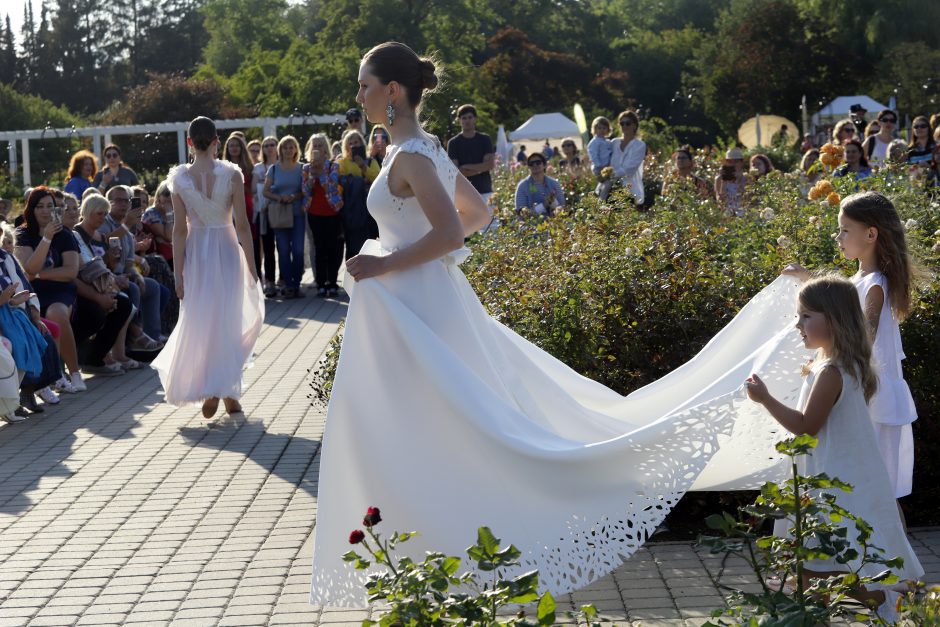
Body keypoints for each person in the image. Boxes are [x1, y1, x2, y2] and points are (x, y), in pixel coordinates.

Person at [744, 275, 922, 621]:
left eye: (807, 316)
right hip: (840, 472)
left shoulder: (832, 372)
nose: (798, 324)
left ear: (835, 320)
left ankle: (889, 600)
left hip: (830, 480)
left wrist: (764, 399)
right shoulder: (845, 364)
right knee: (817, 564)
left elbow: (806, 427)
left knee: (829, 561)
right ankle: (831, 611)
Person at [783, 192, 917, 501]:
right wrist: (808, 280)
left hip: (877, 398)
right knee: (866, 485)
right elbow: (844, 305)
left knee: (878, 488)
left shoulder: (876, 285)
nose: (838, 236)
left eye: (845, 230)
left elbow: (863, 333)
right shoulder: (861, 278)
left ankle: (897, 549)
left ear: (871, 234)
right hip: (863, 392)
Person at [151, 116, 263, 419]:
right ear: (216, 141)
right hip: (226, 249)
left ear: (189, 142)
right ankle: (221, 390)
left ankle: (223, 390)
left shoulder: (179, 178)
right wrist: (252, 267)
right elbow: (242, 226)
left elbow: (179, 231)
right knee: (228, 319)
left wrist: (178, 273)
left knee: (202, 320)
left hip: (197, 253)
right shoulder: (232, 174)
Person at [262, 135, 305, 299]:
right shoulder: (273, 169)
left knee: (299, 250)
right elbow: (265, 191)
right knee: (284, 250)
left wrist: (295, 196)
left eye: (291, 147)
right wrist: (279, 198)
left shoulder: (302, 168)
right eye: (285, 147)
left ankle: (296, 283)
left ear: (296, 149)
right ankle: (288, 284)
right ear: (281, 149)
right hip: (280, 215)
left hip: (298, 214)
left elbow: (306, 190)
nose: (288, 150)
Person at [303, 133, 344, 297]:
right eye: (315, 145)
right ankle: (321, 283)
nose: (317, 148)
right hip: (314, 212)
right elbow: (305, 191)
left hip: (332, 211)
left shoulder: (333, 166)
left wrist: (321, 173)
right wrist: (313, 176)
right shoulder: (306, 168)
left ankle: (332, 282)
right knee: (319, 248)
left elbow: (332, 187)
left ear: (326, 148)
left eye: (320, 145)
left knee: (332, 248)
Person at [337, 130, 380, 259]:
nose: (353, 145)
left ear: (362, 143)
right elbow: (340, 182)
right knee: (352, 245)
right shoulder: (342, 163)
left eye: (356, 142)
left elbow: (377, 179)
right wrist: (362, 181)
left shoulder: (370, 161)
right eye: (350, 143)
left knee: (369, 243)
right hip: (351, 209)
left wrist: (363, 167)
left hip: (368, 210)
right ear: (345, 146)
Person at [447, 104, 495, 208]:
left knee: (491, 224)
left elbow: (490, 165)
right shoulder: (453, 143)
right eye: (464, 118)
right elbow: (456, 171)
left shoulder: (485, 139)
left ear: (475, 119)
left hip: (485, 191)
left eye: (470, 117)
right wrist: (481, 168)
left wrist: (466, 166)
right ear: (459, 120)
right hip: (464, 194)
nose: (467, 121)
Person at [254, 135, 278, 296]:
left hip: (282, 210)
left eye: (272, 144)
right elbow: (253, 189)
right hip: (264, 212)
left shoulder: (283, 165)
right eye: (265, 145)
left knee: (284, 247)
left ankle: (284, 280)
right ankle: (270, 281)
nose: (269, 148)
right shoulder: (258, 168)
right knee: (268, 248)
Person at [610, 110, 646, 206]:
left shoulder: (639, 145)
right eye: (622, 123)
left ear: (634, 125)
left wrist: (610, 175)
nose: (624, 126)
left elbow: (630, 169)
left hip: (630, 190)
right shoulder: (614, 143)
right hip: (609, 188)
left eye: (628, 123)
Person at [714, 147, 749, 216]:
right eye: (729, 161)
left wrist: (739, 180)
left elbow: (748, 199)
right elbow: (720, 201)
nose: (733, 164)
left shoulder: (747, 178)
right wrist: (724, 180)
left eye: (736, 161)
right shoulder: (719, 179)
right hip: (727, 214)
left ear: (741, 162)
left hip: (744, 214)